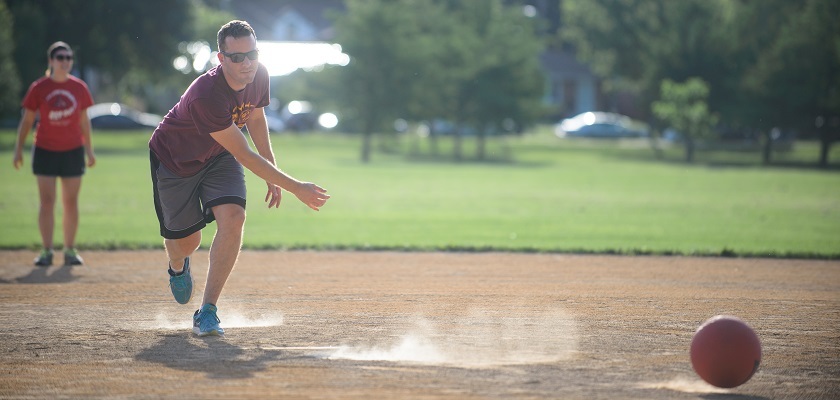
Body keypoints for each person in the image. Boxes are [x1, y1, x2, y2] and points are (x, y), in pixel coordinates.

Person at [149, 20, 330, 337]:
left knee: (234, 217)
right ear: (221, 59)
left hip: (220, 156)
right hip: (176, 161)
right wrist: (296, 187)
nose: (247, 63)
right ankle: (177, 266)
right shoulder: (207, 95)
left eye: (252, 54)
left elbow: (256, 118)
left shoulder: (259, 74)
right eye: (237, 57)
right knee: (188, 242)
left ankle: (207, 311)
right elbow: (245, 154)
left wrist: (271, 169)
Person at [13, 41, 96, 267]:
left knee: (70, 202)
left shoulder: (79, 87)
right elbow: (27, 120)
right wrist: (18, 149)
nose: (65, 61)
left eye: (69, 57)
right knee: (47, 201)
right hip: (45, 150)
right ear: (51, 60)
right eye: (60, 57)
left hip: (73, 150)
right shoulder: (39, 87)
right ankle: (47, 250)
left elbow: (84, 121)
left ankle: (69, 250)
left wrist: (89, 150)